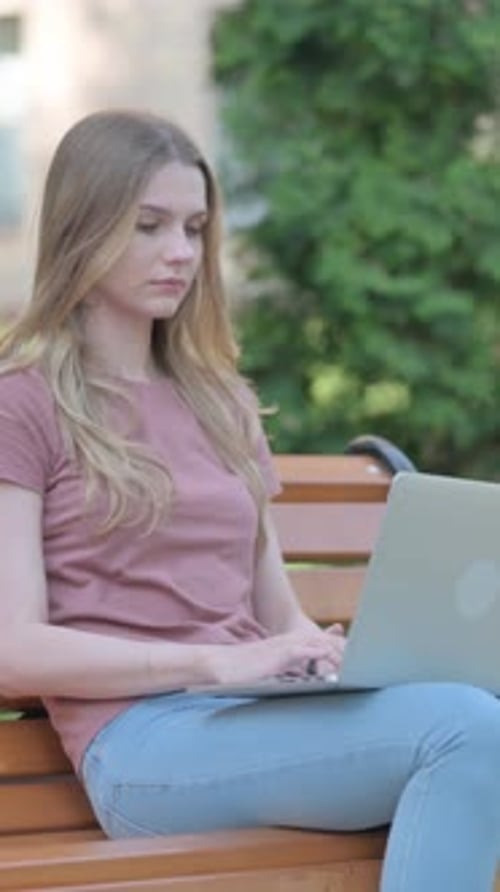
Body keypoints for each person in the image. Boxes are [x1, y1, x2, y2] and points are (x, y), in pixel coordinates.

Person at [0, 108, 499, 892]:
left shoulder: (221, 401)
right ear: (83, 228)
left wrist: (318, 653)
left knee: (477, 706)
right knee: (467, 729)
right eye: (149, 226)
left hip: (255, 720)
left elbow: (277, 615)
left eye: (195, 228)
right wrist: (212, 659)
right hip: (142, 748)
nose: (180, 254)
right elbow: (12, 649)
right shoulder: (23, 404)